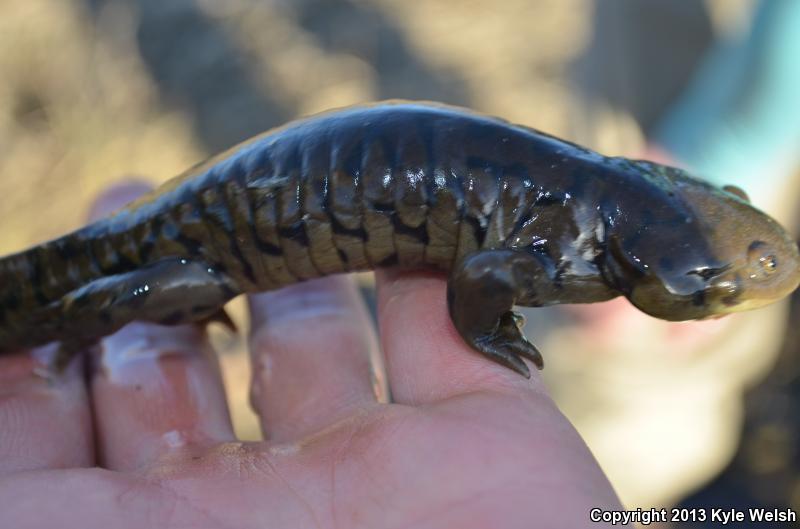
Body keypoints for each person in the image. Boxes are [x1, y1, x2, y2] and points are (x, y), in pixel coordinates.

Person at [0, 184, 621, 528]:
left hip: (230, 215)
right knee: (137, 286)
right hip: (213, 224)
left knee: (165, 282)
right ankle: (64, 324)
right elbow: (485, 275)